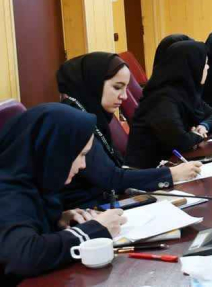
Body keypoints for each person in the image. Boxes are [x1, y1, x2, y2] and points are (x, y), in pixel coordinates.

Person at [56, 52, 202, 208]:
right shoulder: (74, 120)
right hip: (86, 211)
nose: (124, 96)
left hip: (105, 203)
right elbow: (110, 178)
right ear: (93, 83)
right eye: (117, 87)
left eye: (125, 88)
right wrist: (172, 174)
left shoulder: (94, 113)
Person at [0, 104, 126, 283]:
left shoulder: (31, 180)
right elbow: (24, 256)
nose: (83, 165)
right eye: (81, 155)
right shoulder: (8, 191)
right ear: (54, 151)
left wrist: (57, 220)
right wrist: (95, 230)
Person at [126, 41, 212, 169]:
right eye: (204, 63)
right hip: (149, 171)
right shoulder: (162, 99)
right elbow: (181, 142)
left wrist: (203, 126)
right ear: (191, 66)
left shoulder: (186, 91)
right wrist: (197, 136)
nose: (207, 67)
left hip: (172, 164)